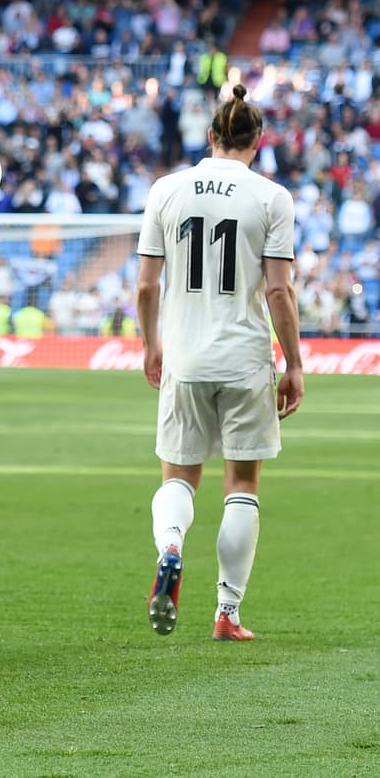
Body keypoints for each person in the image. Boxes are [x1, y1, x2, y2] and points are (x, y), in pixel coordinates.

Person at [135, 84, 303, 642]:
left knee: (179, 476)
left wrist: (151, 344)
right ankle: (227, 614)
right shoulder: (272, 198)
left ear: (210, 136)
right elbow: (279, 292)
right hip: (244, 359)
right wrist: (295, 363)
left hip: (184, 354)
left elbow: (145, 284)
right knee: (242, 485)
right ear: (257, 141)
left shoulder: (167, 189)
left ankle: (171, 547)